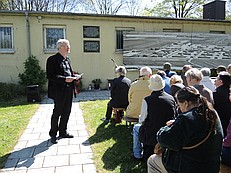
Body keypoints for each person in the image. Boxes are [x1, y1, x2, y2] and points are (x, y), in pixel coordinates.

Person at [147, 86, 223, 173]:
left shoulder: (186, 119)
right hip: (212, 166)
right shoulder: (212, 114)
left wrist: (168, 127)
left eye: (179, 105)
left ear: (186, 103)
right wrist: (176, 124)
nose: (179, 109)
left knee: (152, 161)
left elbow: (164, 139)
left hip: (190, 167)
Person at [131, 74, 176, 162]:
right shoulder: (171, 99)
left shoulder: (147, 100)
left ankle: (137, 154)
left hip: (150, 135)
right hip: (166, 132)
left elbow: (142, 119)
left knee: (136, 128)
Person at [46, 39, 81, 144]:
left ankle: (63, 131)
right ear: (60, 47)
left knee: (67, 111)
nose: (69, 47)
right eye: (67, 46)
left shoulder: (67, 60)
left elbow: (68, 73)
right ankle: (53, 134)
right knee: (57, 112)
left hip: (69, 89)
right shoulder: (52, 60)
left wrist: (74, 77)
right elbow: (50, 76)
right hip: (58, 91)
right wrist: (64, 79)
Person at [213, 71, 231, 137]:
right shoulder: (229, 92)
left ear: (221, 81)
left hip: (220, 120)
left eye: (217, 78)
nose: (215, 80)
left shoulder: (216, 94)